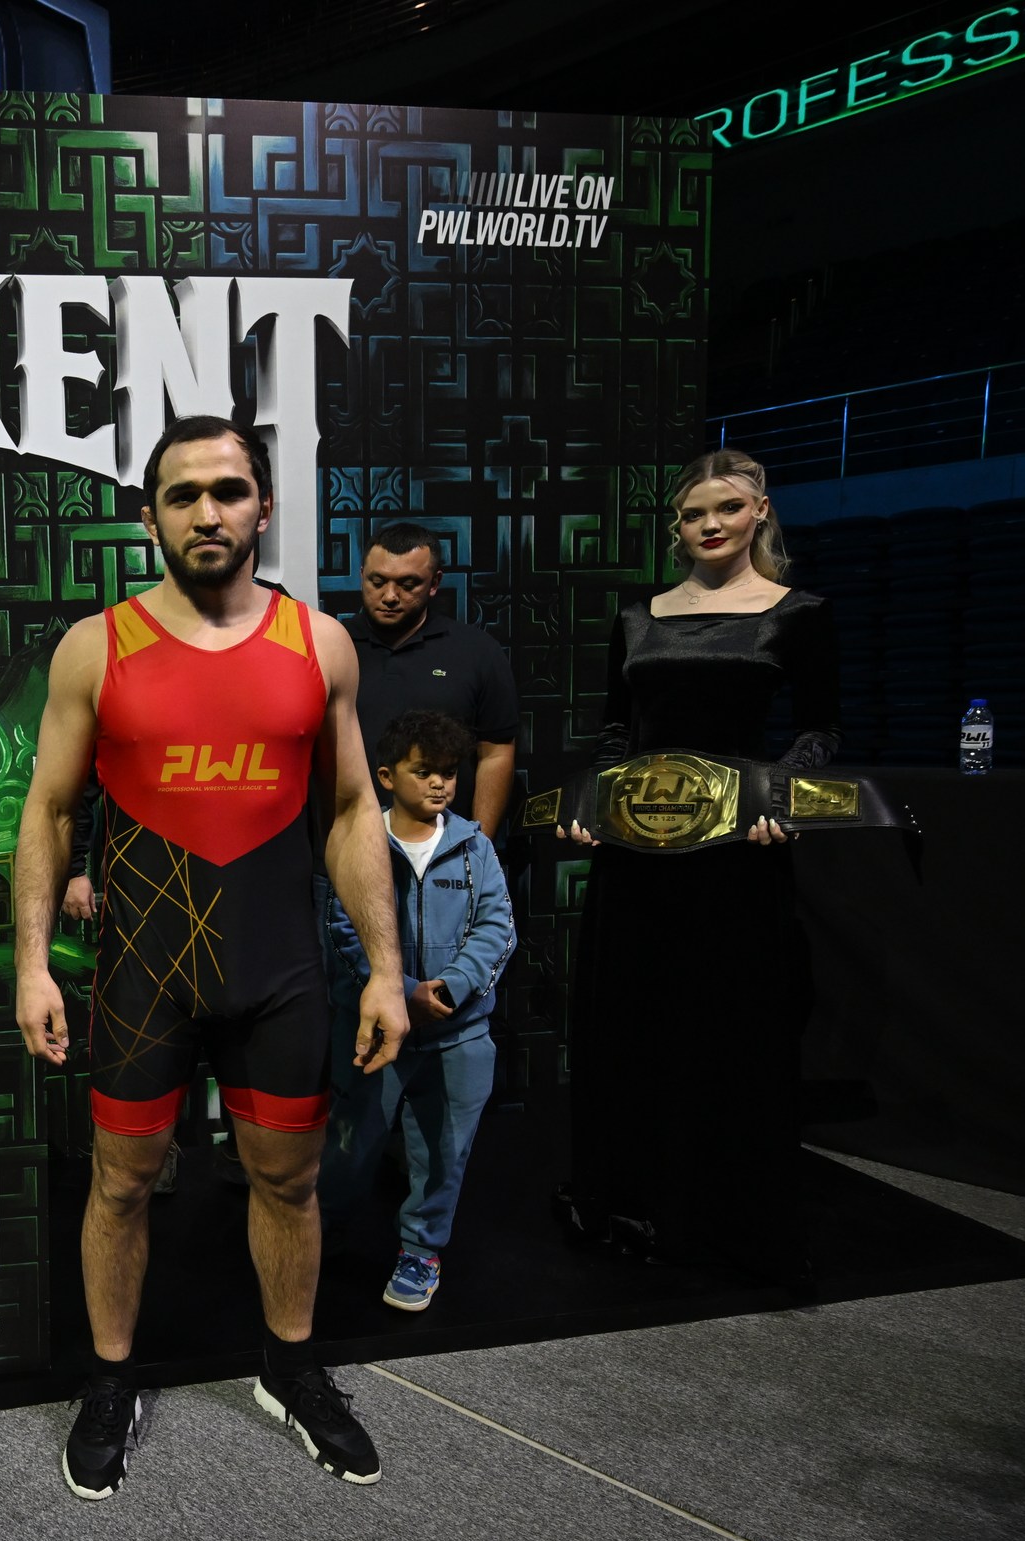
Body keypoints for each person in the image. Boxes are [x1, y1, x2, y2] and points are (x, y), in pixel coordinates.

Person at [14, 414, 410, 1500]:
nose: (207, 512)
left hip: (277, 971)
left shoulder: (319, 645)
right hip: (142, 979)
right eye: (182, 494)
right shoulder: (95, 647)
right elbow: (49, 812)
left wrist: (385, 966)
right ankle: (110, 1379)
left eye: (228, 491)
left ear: (263, 508)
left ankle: (290, 1366)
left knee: (288, 1179)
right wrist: (32, 963)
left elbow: (351, 809)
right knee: (121, 1182)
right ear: (149, 518)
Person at [556, 448, 839, 1281]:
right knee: (632, 1023)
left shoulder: (800, 613)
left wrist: (781, 797)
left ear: (760, 512)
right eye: (692, 513)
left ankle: (720, 1214)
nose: (709, 524)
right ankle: (628, 1198)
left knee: (728, 1028)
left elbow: (821, 728)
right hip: (637, 861)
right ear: (676, 526)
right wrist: (596, 803)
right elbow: (616, 731)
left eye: (727, 507)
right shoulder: (637, 615)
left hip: (736, 859)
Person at [317, 710, 516, 1311]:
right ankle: (316, 1234)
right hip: (374, 1033)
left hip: (459, 1034)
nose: (439, 784)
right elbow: (342, 931)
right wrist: (402, 991)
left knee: (443, 1156)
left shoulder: (474, 846)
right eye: (424, 771)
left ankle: (421, 1251)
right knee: (348, 1150)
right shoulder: (358, 843)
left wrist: (448, 990)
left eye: (449, 773)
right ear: (386, 776)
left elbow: (497, 928)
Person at [349, 523, 518, 839]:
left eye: (408, 584)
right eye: (377, 581)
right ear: (361, 575)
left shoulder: (476, 651)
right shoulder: (331, 646)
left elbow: (495, 753)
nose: (390, 596)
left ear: (434, 583)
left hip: (446, 848)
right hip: (348, 847)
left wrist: (478, 846)